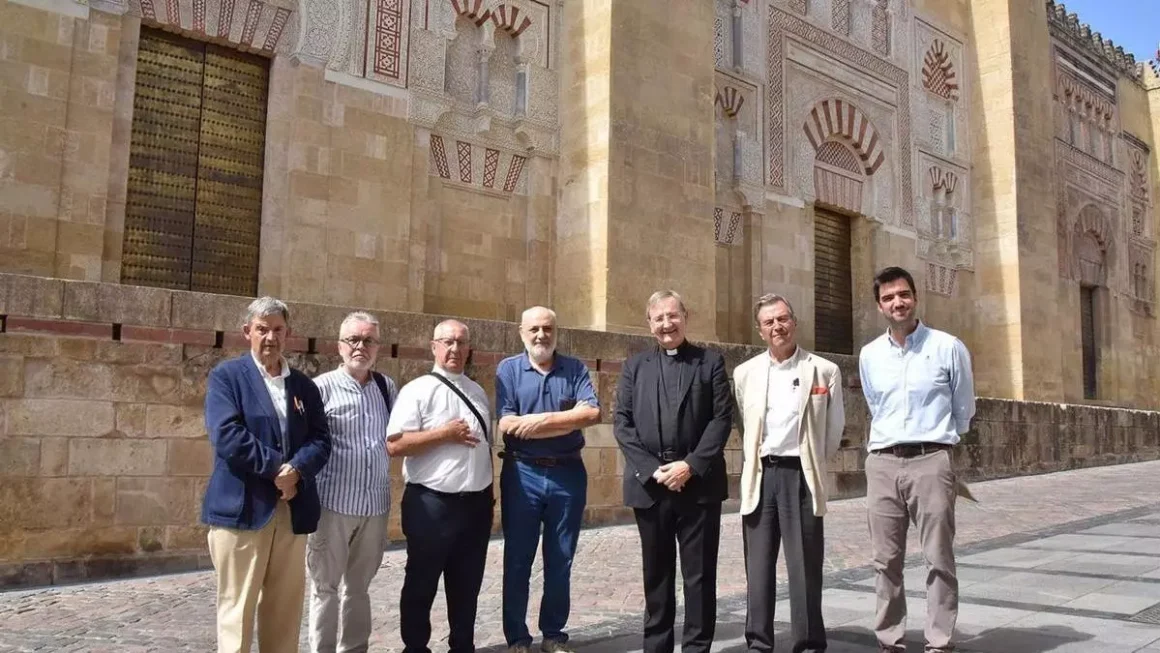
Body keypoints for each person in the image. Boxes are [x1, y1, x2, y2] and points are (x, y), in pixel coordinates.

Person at [202, 296, 331, 653]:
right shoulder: (227, 377)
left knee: (284, 610)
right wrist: (277, 468)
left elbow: (321, 438)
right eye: (262, 329)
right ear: (247, 332)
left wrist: (297, 470)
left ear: (288, 334)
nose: (270, 337)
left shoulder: (304, 386)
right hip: (242, 510)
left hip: (291, 512)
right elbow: (227, 434)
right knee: (237, 610)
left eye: (277, 329)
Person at [858, 266, 976, 653]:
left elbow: (963, 408)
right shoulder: (870, 354)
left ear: (915, 297)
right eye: (889, 297)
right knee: (885, 559)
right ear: (879, 305)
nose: (898, 302)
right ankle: (890, 640)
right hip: (883, 462)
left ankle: (938, 641)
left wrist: (940, 446)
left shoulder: (947, 346)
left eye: (903, 294)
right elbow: (876, 404)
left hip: (931, 459)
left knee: (939, 557)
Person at [613, 290, 733, 653]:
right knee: (657, 576)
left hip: (698, 487)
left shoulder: (710, 362)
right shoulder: (635, 367)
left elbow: (721, 419)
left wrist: (690, 466)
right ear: (649, 324)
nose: (667, 324)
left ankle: (697, 648)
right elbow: (622, 422)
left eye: (673, 315)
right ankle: (657, 647)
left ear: (685, 316)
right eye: (659, 318)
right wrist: (654, 471)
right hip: (651, 489)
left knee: (698, 578)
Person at [733, 293, 845, 653]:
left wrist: (812, 461)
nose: (777, 327)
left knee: (805, 566)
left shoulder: (823, 370)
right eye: (769, 322)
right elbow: (743, 422)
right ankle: (759, 642)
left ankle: (809, 643)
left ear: (794, 322)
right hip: (762, 476)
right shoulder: (745, 373)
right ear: (760, 330)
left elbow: (833, 429)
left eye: (783, 319)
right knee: (759, 566)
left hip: (801, 476)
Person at [496, 306, 602, 653]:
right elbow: (508, 425)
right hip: (521, 474)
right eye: (534, 329)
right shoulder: (509, 370)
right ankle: (517, 638)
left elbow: (592, 413)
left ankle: (553, 634)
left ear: (556, 331)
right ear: (521, 332)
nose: (541, 335)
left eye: (547, 328)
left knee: (560, 557)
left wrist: (539, 421)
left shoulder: (575, 369)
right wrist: (566, 420)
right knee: (517, 558)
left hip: (567, 473)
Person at [386, 319, 494, 653]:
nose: (455, 349)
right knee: (422, 581)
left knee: (467, 583)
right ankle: (415, 647)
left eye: (461, 343)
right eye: (447, 342)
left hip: (475, 505)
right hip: (432, 504)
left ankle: (463, 645)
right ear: (434, 346)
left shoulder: (476, 391)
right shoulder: (417, 390)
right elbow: (396, 444)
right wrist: (443, 434)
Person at [308, 311, 397, 653]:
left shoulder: (386, 388)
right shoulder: (321, 388)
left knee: (359, 587)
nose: (361, 346)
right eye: (353, 340)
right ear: (340, 345)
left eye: (368, 340)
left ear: (378, 347)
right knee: (324, 587)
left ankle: (355, 648)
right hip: (332, 505)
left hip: (374, 507)